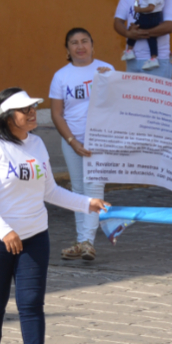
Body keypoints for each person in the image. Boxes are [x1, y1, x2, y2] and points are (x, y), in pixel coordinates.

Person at [0, 89, 109, 344]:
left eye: (33, 107)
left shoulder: (37, 143)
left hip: (33, 238)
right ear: (7, 117)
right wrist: (5, 231)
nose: (32, 113)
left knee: (31, 305)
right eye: (24, 110)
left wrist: (88, 204)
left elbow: (51, 191)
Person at [49, 28, 126, 262]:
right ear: (67, 48)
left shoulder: (106, 70)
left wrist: (109, 82)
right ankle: (82, 240)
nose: (80, 46)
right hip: (72, 140)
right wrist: (72, 141)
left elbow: (119, 103)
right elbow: (57, 114)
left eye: (84, 41)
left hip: (99, 140)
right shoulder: (61, 76)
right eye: (74, 42)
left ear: (93, 45)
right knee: (78, 191)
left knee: (94, 189)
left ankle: (88, 242)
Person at [120, 0, 168, 71]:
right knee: (152, 39)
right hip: (156, 19)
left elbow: (151, 8)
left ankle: (129, 50)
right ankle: (154, 57)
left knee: (133, 29)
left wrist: (139, 10)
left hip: (147, 17)